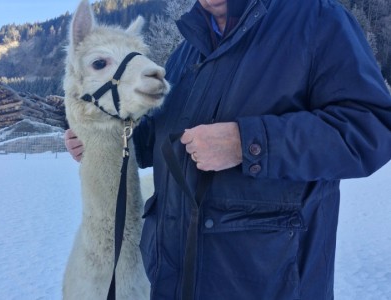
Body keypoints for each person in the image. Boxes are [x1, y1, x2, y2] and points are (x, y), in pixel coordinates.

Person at [65, 0, 391, 299]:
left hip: (268, 281)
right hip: (173, 279)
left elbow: (371, 127)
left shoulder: (316, 21)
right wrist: (101, 138)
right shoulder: (187, 53)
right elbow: (164, 136)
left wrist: (247, 144)